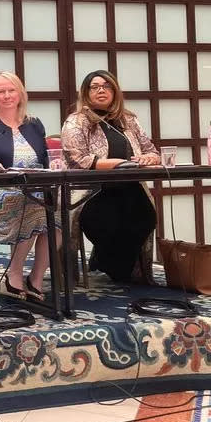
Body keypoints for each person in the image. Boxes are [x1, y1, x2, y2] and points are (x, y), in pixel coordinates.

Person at [61, 70, 159, 282]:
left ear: (115, 91)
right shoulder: (76, 121)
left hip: (130, 186)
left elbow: (150, 149)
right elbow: (76, 159)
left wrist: (150, 158)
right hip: (94, 190)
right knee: (105, 222)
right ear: (86, 93)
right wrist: (112, 164)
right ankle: (115, 266)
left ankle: (110, 263)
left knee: (146, 217)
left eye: (106, 86)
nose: (101, 90)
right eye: (94, 87)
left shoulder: (128, 120)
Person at [0, 71, 55, 301]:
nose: (6, 95)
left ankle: (36, 279)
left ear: (20, 94)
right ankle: (13, 275)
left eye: (11, 90)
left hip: (33, 189)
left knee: (58, 215)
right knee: (36, 207)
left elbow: (45, 160)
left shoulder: (34, 124)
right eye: (1, 91)